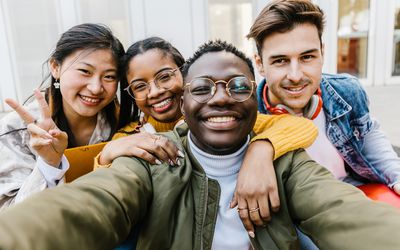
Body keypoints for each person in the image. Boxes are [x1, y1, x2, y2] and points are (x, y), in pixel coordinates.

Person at [1, 40, 400, 250]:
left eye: (239, 86)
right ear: (187, 100)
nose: (221, 97)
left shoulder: (280, 152)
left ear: (254, 95)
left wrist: (262, 151)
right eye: (204, 88)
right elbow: (93, 206)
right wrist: (108, 154)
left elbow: (340, 211)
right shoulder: (148, 152)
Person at [93, 37, 318, 234]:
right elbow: (111, 190)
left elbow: (300, 126)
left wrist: (261, 150)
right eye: (140, 86)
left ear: (186, 74)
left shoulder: (219, 120)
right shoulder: (130, 135)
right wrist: (106, 155)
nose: (155, 91)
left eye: (164, 77)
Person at [248, 0, 400, 193]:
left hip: (353, 191)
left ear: (322, 52)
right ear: (260, 64)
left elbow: (370, 136)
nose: (295, 76)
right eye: (280, 61)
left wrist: (396, 176)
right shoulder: (247, 115)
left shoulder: (346, 92)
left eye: (307, 57)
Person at [0, 23, 125, 210]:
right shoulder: (16, 128)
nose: (95, 87)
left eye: (109, 76)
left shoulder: (122, 123)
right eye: (85, 71)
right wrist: (49, 164)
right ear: (55, 67)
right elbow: (9, 215)